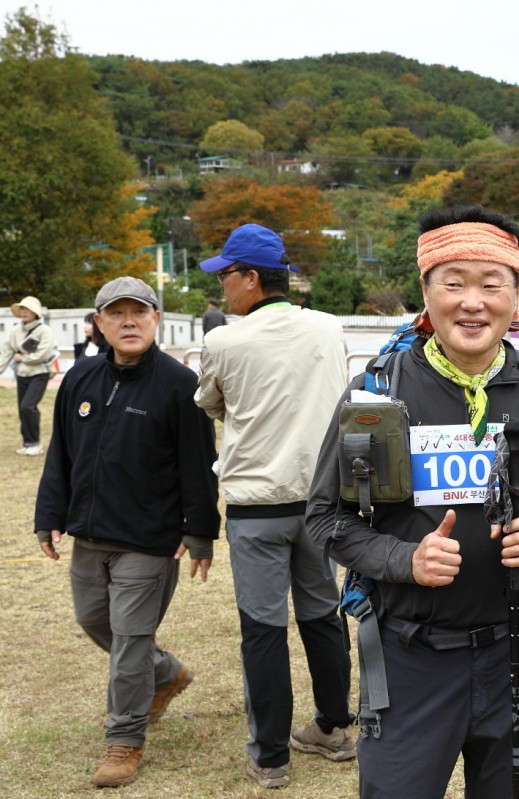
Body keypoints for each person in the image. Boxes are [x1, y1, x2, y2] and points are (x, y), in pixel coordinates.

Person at [307, 204, 519, 798]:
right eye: (454, 283)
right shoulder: (377, 391)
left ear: (517, 297)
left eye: (492, 285)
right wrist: (403, 558)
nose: (473, 303)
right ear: (426, 291)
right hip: (412, 654)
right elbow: (326, 517)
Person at [33, 276, 219, 788]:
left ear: (157, 319)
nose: (129, 322)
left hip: (151, 540)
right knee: (95, 620)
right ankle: (166, 673)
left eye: (140, 312)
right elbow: (61, 453)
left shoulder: (179, 384)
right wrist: (49, 514)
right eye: (116, 313)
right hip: (89, 536)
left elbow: (199, 464)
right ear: (99, 323)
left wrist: (200, 531)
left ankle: (124, 739)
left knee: (130, 643)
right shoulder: (80, 378)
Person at [195, 223, 357, 790]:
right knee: (322, 615)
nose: (222, 287)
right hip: (321, 501)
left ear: (250, 278)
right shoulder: (328, 328)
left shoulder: (224, 341)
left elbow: (211, 402)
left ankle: (270, 756)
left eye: (226, 276)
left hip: (256, 506)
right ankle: (335, 727)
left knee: (262, 629)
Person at [1, 295, 58, 455]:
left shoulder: (45, 331)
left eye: (28, 309)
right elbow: (6, 351)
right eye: (22, 309)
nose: (24, 312)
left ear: (36, 313)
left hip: (39, 373)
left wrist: (23, 358)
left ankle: (35, 444)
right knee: (22, 409)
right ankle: (28, 443)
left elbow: (43, 353)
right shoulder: (15, 330)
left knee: (28, 407)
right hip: (22, 374)